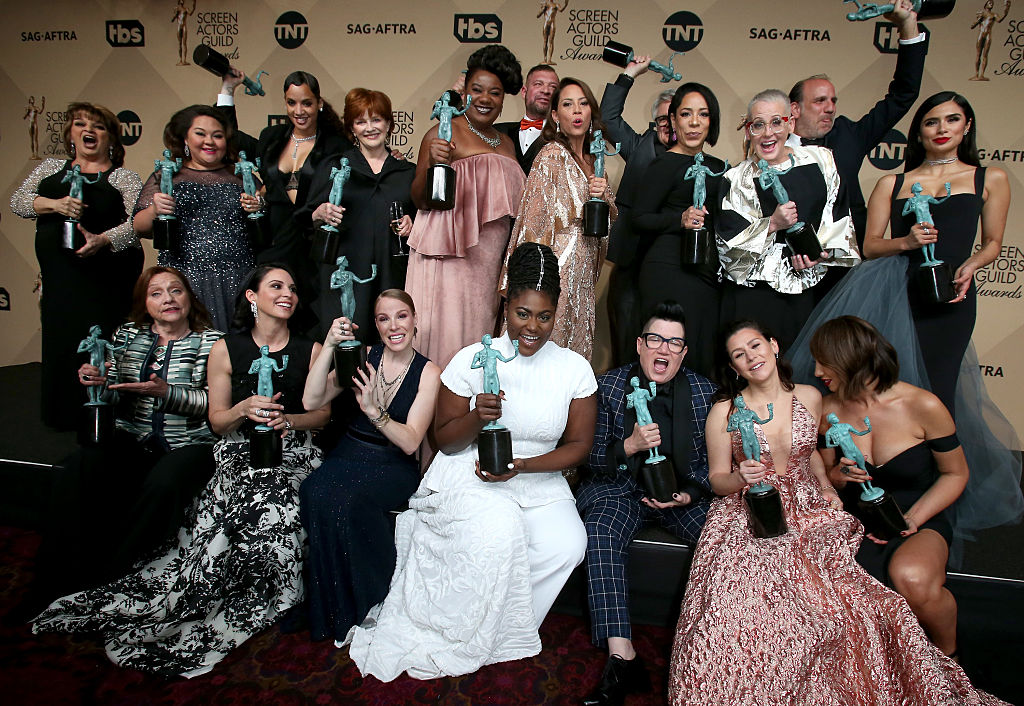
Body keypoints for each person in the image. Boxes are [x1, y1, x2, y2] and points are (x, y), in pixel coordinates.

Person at [666, 319, 1010, 705]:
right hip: (753, 507)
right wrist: (743, 477)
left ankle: (935, 657)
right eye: (739, 355)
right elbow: (718, 479)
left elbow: (814, 456)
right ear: (733, 366)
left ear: (773, 345)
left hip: (824, 506)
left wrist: (828, 488)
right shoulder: (729, 411)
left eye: (755, 346)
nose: (751, 357)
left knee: (843, 592)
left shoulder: (814, 399)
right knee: (744, 592)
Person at [33, 264, 331, 677]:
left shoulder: (269, 346)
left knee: (224, 490)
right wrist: (95, 380)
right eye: (276, 286)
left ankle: (264, 592)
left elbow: (310, 415)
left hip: (241, 445)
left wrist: (287, 422)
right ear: (252, 296)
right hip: (187, 441)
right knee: (79, 469)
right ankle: (63, 579)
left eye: (292, 288)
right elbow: (207, 418)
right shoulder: (181, 344)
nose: (288, 293)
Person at [347, 243, 595, 681]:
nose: (532, 327)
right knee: (498, 532)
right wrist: (476, 417)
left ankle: (503, 628)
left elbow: (578, 446)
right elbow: (444, 440)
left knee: (568, 544)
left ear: (556, 313)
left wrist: (521, 466)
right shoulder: (470, 357)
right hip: (470, 470)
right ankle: (462, 628)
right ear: (506, 305)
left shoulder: (573, 368)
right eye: (522, 313)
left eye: (544, 316)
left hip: (537, 474)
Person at [23, 266, 221, 617]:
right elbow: (113, 394)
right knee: (80, 466)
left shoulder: (213, 342)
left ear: (189, 297)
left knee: (164, 484)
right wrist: (96, 382)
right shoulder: (129, 335)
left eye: (175, 291)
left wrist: (167, 393)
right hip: (133, 436)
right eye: (156, 293)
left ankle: (113, 577)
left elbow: (216, 405)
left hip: (190, 444)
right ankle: (53, 581)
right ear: (145, 303)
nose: (168, 299)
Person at [577, 300, 716, 706]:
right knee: (600, 530)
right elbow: (587, 457)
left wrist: (690, 492)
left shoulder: (704, 392)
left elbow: (714, 462)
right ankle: (624, 658)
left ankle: (716, 643)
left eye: (675, 343)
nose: (664, 349)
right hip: (619, 490)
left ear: (683, 353)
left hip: (681, 497)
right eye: (656, 339)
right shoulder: (607, 387)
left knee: (724, 536)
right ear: (640, 345)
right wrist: (628, 446)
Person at [810, 316, 967, 657]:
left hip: (918, 513)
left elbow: (956, 474)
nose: (817, 371)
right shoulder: (827, 408)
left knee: (911, 577)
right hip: (856, 518)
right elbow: (823, 474)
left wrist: (913, 517)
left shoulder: (923, 405)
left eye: (824, 362)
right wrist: (837, 475)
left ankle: (949, 659)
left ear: (847, 359)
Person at [299, 289, 440, 644]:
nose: (394, 326)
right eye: (383, 318)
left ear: (415, 319)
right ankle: (329, 606)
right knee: (314, 490)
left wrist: (375, 412)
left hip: (393, 464)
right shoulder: (362, 357)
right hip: (350, 450)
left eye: (402, 316)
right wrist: (330, 345)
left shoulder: (429, 372)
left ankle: (366, 601)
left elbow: (410, 441)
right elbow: (311, 399)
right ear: (375, 326)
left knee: (349, 501)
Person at [861, 91, 1008, 417]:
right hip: (900, 294)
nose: (942, 128)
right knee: (890, 387)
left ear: (966, 126)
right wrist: (906, 243)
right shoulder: (892, 183)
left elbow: (993, 242)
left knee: (940, 386)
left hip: (954, 294)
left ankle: (939, 465)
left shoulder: (990, 178)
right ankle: (896, 463)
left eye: (952, 119)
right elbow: (870, 247)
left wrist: (970, 266)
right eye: (931, 122)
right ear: (918, 132)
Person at [11, 101, 144, 430]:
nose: (89, 131)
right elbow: (19, 201)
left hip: (104, 281)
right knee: (61, 340)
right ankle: (61, 415)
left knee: (100, 344)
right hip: (60, 280)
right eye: (81, 124)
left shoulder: (122, 176)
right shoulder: (50, 169)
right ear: (70, 133)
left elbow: (138, 224)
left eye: (98, 126)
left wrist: (102, 239)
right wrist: (55, 204)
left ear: (111, 138)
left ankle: (104, 416)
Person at [405, 44, 526, 369]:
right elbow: (418, 197)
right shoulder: (443, 130)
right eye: (477, 90)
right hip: (449, 261)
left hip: (488, 269)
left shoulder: (506, 142)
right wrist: (433, 164)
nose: (485, 99)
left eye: (495, 93)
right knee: (447, 345)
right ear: (465, 91)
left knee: (478, 346)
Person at [717, 89, 860, 354]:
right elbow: (728, 245)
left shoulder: (821, 160)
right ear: (748, 130)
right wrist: (772, 224)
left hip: (813, 287)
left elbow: (837, 215)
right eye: (758, 125)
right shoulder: (737, 178)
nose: (768, 133)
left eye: (776, 122)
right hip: (755, 294)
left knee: (803, 366)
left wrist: (818, 254)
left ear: (790, 124)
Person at [217, 69, 353, 331]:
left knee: (310, 323)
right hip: (274, 241)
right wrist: (227, 91)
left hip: (314, 248)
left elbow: (358, 174)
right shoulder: (272, 138)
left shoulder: (337, 145)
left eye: (307, 103)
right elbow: (228, 136)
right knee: (269, 321)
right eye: (291, 102)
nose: (299, 110)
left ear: (319, 104)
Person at [787, 0, 925, 246]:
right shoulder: (772, 145)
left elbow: (903, 95)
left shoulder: (849, 135)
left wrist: (908, 25)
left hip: (849, 261)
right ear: (794, 109)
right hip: (790, 262)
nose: (830, 107)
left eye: (832, 100)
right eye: (820, 101)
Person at [504, 77, 614, 361]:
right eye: (567, 104)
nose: (576, 111)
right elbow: (534, 222)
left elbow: (609, 216)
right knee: (545, 345)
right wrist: (535, 282)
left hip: (584, 270)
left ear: (591, 112)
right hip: (556, 270)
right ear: (555, 115)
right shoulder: (551, 156)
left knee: (572, 355)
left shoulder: (594, 161)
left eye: (583, 103)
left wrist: (603, 197)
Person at [133, 105, 262, 330]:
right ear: (185, 139)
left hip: (239, 280)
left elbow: (265, 222)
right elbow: (139, 227)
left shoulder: (243, 176)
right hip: (187, 281)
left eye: (217, 135)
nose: (209, 141)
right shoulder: (167, 176)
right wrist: (155, 210)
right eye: (200, 134)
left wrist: (259, 205)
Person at [631, 83, 727, 378]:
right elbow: (639, 218)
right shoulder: (663, 163)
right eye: (686, 114)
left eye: (703, 114)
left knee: (700, 351)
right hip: (667, 271)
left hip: (706, 272)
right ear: (673, 120)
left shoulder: (720, 167)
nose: (695, 122)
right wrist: (679, 220)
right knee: (663, 354)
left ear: (712, 121)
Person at [306, 88, 416, 340]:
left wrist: (413, 223)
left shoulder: (407, 172)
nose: (370, 128)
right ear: (351, 128)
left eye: (376, 119)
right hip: (346, 272)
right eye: (360, 121)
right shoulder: (334, 167)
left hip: (394, 272)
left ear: (389, 123)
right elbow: (304, 217)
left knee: (392, 341)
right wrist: (319, 212)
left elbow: (425, 221)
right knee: (347, 346)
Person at [600, 55, 677, 367]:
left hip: (672, 271)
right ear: (653, 122)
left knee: (666, 353)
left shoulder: (697, 162)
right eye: (662, 119)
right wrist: (630, 74)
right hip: (631, 269)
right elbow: (607, 117)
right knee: (626, 349)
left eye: (677, 118)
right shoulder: (638, 147)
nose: (669, 126)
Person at [495, 64, 559, 173]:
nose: (546, 90)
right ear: (524, 92)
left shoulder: (563, 137)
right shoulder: (497, 131)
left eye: (553, 86)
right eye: (538, 84)